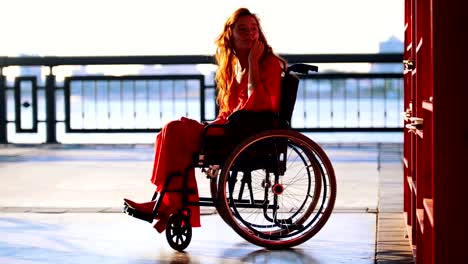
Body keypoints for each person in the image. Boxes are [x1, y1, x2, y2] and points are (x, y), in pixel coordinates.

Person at [123, 7, 286, 233]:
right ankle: (166, 201)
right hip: (230, 128)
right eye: (243, 29)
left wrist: (254, 64)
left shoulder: (267, 63)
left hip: (248, 132)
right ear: (231, 34)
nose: (250, 34)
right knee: (168, 133)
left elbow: (259, 106)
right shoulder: (233, 66)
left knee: (174, 130)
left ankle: (168, 205)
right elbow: (227, 111)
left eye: (254, 29)